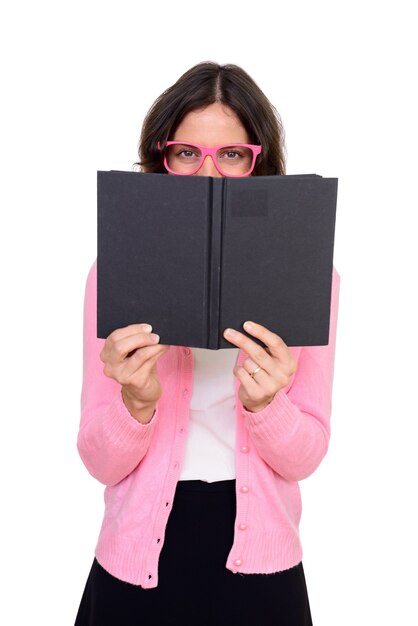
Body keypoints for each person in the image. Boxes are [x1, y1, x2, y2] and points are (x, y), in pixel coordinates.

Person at [75, 61, 340, 626]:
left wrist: (268, 405)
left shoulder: (312, 277)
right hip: (134, 562)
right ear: (161, 158)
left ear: (258, 162)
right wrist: (135, 404)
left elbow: (309, 454)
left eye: (233, 156)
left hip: (260, 570)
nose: (208, 174)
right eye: (187, 152)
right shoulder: (112, 273)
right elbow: (98, 462)